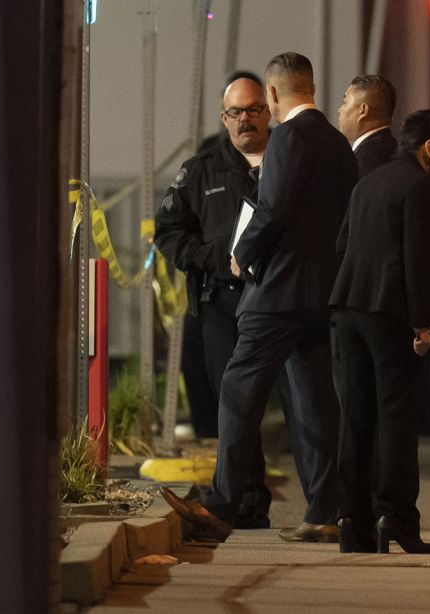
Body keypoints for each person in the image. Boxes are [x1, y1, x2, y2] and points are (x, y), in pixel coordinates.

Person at [161, 52, 358, 544]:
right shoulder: (338, 144)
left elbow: (273, 209)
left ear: (272, 97)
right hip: (321, 294)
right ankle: (324, 510)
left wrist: (241, 257)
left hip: (276, 292)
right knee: (315, 403)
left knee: (236, 390)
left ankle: (223, 503)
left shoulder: (289, 138)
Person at [328, 108, 430, 554]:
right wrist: (423, 324)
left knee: (356, 420)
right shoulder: (419, 187)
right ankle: (398, 519)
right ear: (429, 149)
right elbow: (419, 260)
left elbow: (343, 245)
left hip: (348, 310)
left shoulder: (370, 181)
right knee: (398, 423)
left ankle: (354, 524)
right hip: (390, 316)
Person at [155, 77, 270, 449]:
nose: (245, 119)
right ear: (224, 118)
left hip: (281, 298)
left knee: (301, 403)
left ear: (268, 112)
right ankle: (242, 500)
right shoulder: (201, 169)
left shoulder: (289, 161)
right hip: (222, 301)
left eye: (253, 110)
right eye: (236, 112)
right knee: (232, 407)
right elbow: (168, 231)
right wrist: (213, 258)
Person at [337, 74, 398, 178]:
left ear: (363, 111)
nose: (340, 109)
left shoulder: (359, 164)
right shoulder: (398, 153)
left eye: (345, 103)